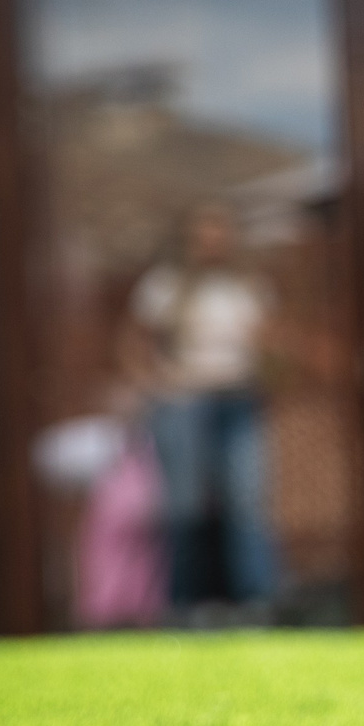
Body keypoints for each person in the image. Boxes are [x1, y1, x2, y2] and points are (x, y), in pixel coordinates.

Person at [122, 202, 282, 617]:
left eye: (220, 233)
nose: (213, 243)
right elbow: (133, 344)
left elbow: (272, 346)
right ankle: (186, 604)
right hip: (184, 404)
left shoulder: (247, 287)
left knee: (247, 502)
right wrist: (158, 384)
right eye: (204, 234)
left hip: (239, 399)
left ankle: (255, 603)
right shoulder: (165, 287)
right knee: (186, 505)